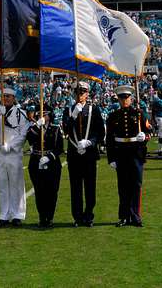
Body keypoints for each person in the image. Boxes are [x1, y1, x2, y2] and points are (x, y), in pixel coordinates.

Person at [0, 87, 30, 227]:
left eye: (9, 96)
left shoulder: (20, 113)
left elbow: (23, 133)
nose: (6, 98)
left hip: (13, 153)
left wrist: (11, 145)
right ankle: (4, 214)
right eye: (4, 96)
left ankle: (17, 214)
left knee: (16, 183)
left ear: (14, 98)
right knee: (2, 184)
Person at [62, 81, 105, 227]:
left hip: (89, 155)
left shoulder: (95, 110)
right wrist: (74, 115)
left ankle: (89, 215)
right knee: (75, 188)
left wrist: (90, 142)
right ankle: (77, 217)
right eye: (77, 93)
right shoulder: (68, 111)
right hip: (74, 155)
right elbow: (66, 130)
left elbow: (100, 133)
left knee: (90, 187)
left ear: (87, 94)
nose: (80, 96)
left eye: (82, 93)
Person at [106, 84, 148, 227]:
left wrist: (145, 136)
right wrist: (111, 158)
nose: (124, 100)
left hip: (136, 152)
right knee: (123, 186)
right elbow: (109, 138)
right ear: (118, 99)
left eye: (127, 97)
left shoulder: (139, 113)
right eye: (121, 98)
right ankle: (124, 216)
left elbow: (149, 129)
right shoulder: (113, 116)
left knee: (136, 184)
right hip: (120, 153)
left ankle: (135, 216)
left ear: (131, 98)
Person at [27, 106, 64, 228]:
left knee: (52, 191)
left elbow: (59, 148)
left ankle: (50, 217)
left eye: (44, 114)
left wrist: (49, 157)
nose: (42, 116)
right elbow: (30, 139)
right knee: (39, 191)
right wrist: (37, 125)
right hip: (36, 161)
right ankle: (42, 217)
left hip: (52, 163)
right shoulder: (34, 128)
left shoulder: (55, 129)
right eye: (39, 114)